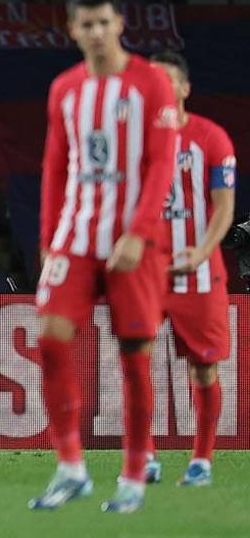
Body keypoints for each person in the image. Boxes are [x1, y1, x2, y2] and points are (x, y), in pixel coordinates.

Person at [31, 0, 178, 514]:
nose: (96, 33)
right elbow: (54, 166)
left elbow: (162, 163)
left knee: (134, 356)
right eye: (85, 25)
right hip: (75, 237)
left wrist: (138, 232)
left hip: (132, 244)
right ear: (72, 30)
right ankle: (71, 467)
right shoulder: (65, 89)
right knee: (49, 339)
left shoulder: (151, 84)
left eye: (104, 23)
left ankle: (134, 474)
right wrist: (48, 240)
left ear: (120, 24)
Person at [144, 51, 237, 487]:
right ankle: (145, 454)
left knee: (204, 368)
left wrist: (202, 251)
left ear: (184, 89)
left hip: (198, 272)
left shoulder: (211, 137)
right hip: (144, 272)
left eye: (167, 81)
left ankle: (201, 460)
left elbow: (224, 206)